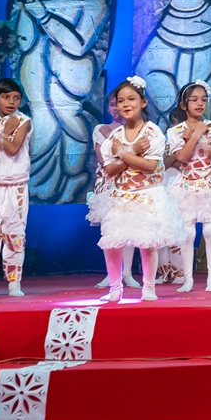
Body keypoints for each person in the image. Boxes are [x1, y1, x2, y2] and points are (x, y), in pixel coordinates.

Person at [98, 76, 182, 303]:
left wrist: (124, 153)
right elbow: (110, 170)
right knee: (112, 243)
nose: (125, 104)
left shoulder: (152, 132)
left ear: (143, 102)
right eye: (120, 101)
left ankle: (148, 287)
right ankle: (115, 288)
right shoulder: (114, 137)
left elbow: (150, 166)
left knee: (147, 244)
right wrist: (132, 153)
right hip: (122, 196)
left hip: (147, 195)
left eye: (131, 99)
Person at [165, 81, 211, 293]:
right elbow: (182, 157)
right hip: (187, 184)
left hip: (210, 182)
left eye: (203, 99)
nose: (200, 103)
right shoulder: (175, 131)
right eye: (194, 100)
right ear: (183, 105)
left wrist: (200, 137)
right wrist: (194, 136)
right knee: (188, 233)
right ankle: (188, 280)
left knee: (210, 230)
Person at [0, 77, 32, 297]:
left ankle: (14, 283)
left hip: (15, 185)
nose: (11, 102)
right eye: (6, 97)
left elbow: (12, 149)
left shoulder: (23, 120)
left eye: (16, 98)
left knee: (14, 233)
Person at [86, 97, 137, 288]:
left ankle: (128, 273)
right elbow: (103, 160)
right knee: (110, 228)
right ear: (108, 108)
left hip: (129, 183)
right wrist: (128, 156)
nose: (117, 108)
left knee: (129, 226)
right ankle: (112, 273)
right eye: (113, 104)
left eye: (121, 104)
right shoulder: (101, 130)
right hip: (107, 183)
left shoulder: (136, 130)